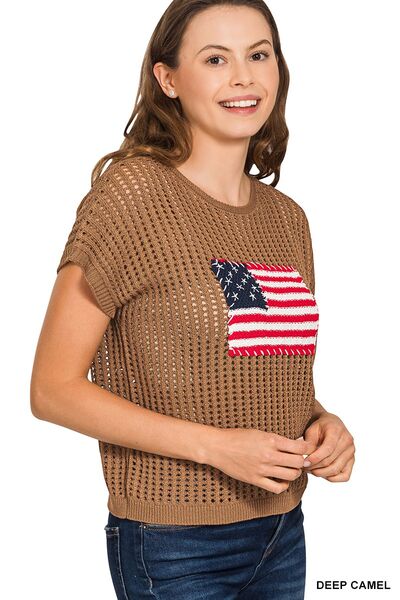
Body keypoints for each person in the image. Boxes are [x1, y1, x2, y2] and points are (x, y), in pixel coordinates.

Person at [30, 1, 356, 598]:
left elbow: (252, 366)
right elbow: (52, 390)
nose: (243, 77)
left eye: (259, 54)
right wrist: (215, 448)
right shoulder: (132, 196)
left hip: (282, 532)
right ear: (168, 79)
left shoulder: (287, 219)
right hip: (174, 542)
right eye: (215, 59)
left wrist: (321, 423)